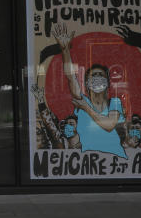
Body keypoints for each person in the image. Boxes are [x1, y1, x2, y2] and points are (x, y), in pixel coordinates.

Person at [52, 23, 127, 158]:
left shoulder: (114, 103)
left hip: (116, 159)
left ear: (108, 82)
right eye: (93, 76)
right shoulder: (82, 101)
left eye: (100, 75)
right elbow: (71, 77)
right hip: (89, 163)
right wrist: (65, 51)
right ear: (86, 84)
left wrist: (86, 108)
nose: (97, 78)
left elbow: (109, 125)